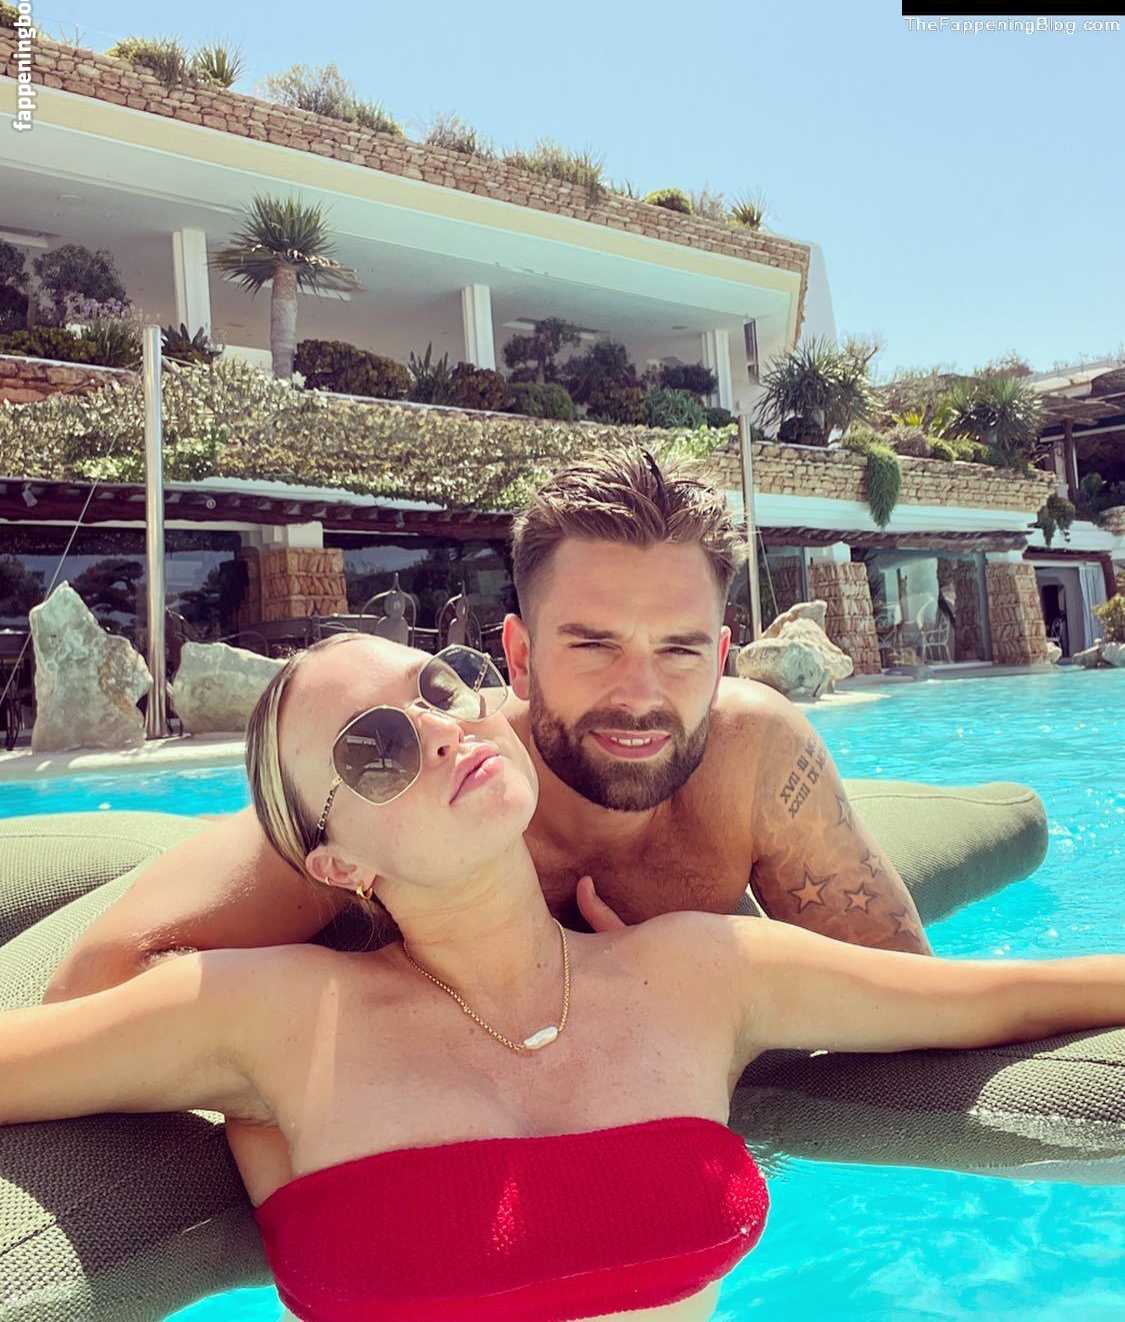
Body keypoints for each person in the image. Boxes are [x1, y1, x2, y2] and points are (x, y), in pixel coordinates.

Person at [7, 632, 1123, 1321]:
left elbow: (1012, 997)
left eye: (443, 685)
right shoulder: (269, 1012)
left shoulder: (698, 969)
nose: (439, 728)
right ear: (337, 861)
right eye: (374, 749)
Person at [46, 448, 932, 1020]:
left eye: (679, 650)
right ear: (519, 656)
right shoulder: (419, 788)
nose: (639, 696)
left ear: (723, 657)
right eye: (592, 645)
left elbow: (917, 996)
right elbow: (96, 978)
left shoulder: (756, 757)